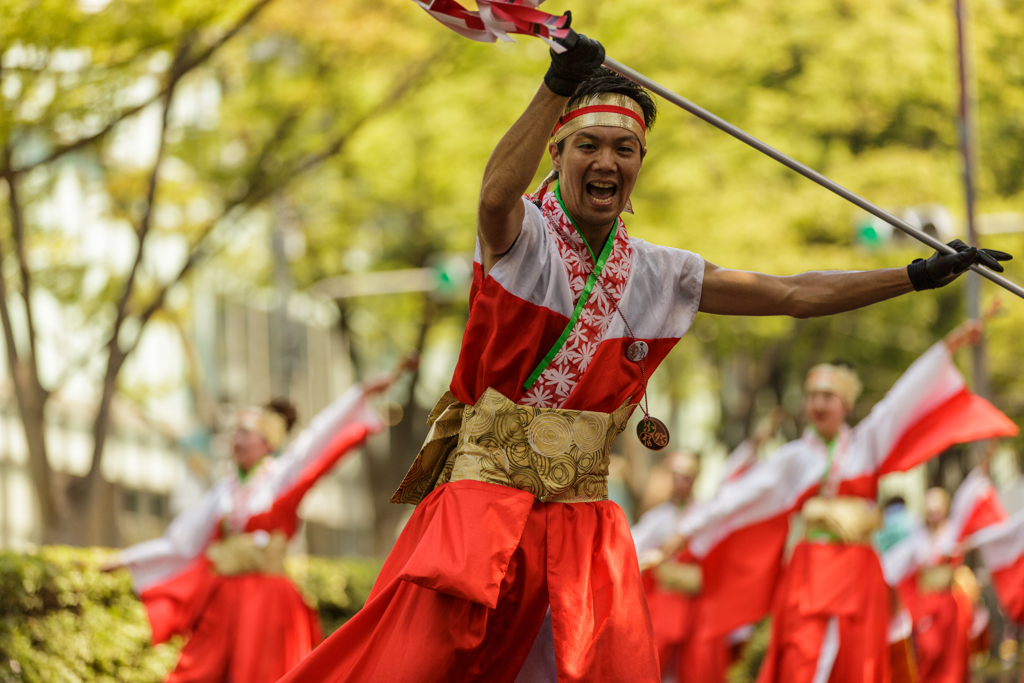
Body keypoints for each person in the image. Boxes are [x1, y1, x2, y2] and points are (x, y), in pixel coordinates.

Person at [280, 30, 1012, 683]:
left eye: (623, 149)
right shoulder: (523, 241)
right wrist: (555, 86)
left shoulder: (663, 274)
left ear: (639, 165)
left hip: (580, 517)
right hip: (484, 504)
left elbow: (791, 291)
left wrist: (912, 276)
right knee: (415, 665)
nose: (606, 161)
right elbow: (495, 193)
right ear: (558, 153)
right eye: (588, 144)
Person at [656, 320, 1017, 683]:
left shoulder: (867, 443)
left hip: (858, 571)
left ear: (845, 404)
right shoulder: (794, 458)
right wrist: (686, 532)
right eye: (811, 396)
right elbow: (739, 496)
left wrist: (948, 348)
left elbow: (902, 400)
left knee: (854, 659)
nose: (816, 404)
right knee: (804, 657)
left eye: (826, 397)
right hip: (810, 570)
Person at [101, 368, 405, 683]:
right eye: (236, 434)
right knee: (194, 673)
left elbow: (318, 436)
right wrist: (127, 559)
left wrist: (363, 392)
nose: (237, 440)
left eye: (246, 434)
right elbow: (182, 540)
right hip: (224, 602)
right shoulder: (224, 491)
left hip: (268, 604)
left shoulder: (281, 478)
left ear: (267, 443)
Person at [882, 475, 1002, 683]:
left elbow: (967, 503)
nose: (933, 513)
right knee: (928, 654)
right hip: (926, 606)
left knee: (954, 659)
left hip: (950, 605)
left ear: (945, 509)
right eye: (929, 508)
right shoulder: (917, 536)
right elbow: (896, 566)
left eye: (937, 508)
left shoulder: (952, 532)